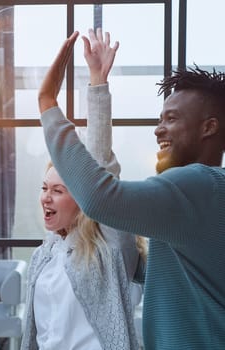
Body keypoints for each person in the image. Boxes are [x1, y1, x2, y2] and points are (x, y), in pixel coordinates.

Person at [38, 30, 225, 350]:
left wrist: (48, 106)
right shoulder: (206, 197)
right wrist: (97, 84)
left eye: (171, 118)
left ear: (209, 127)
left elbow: (100, 196)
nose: (158, 129)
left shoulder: (196, 186)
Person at [20, 29, 145, 350]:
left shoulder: (110, 248)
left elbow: (102, 166)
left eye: (59, 191)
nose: (46, 197)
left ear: (85, 198)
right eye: (44, 188)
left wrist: (97, 85)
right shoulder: (43, 256)